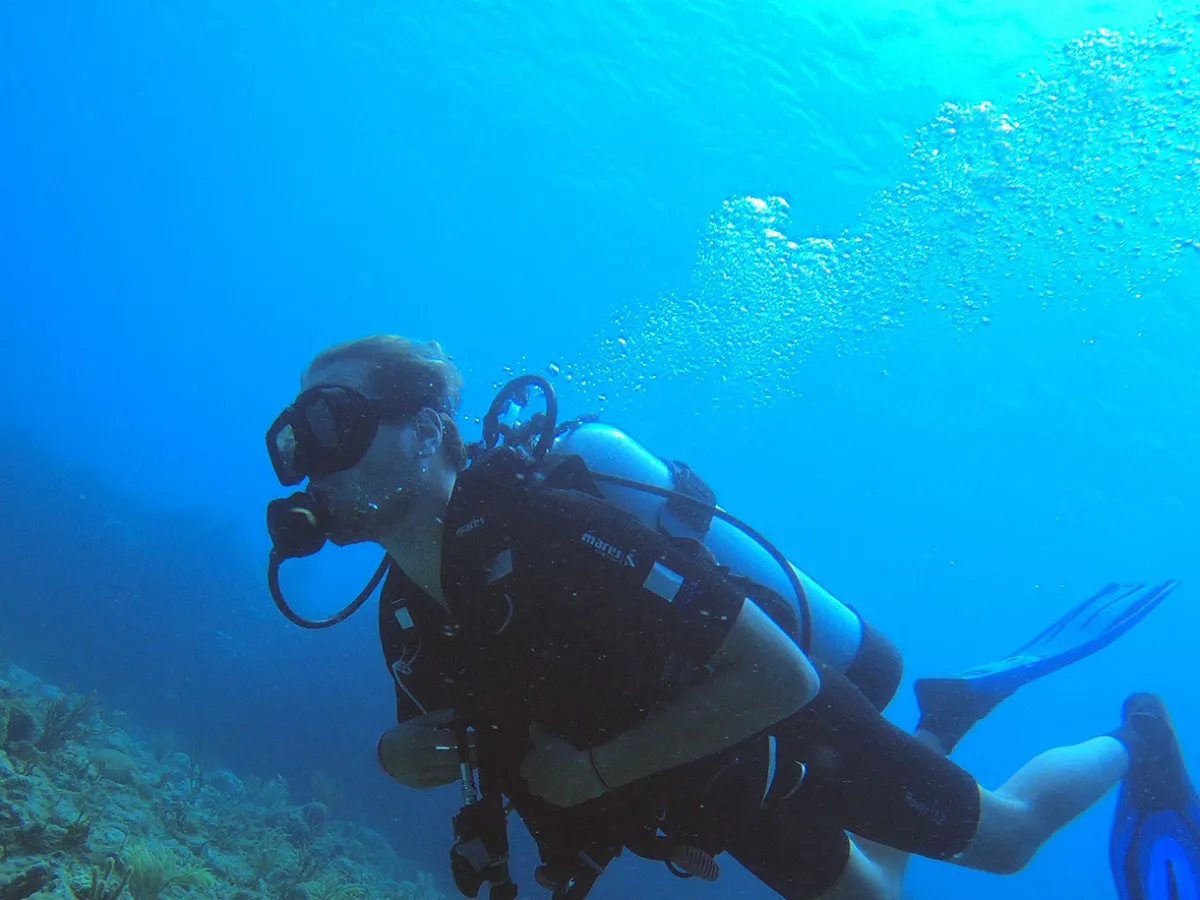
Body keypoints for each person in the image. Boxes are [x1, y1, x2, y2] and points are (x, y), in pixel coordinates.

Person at [263, 334, 1191, 900]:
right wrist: (398, 758)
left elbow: (780, 674)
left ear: (427, 429)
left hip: (787, 723)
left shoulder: (552, 532)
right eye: (296, 440)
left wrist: (591, 772)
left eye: (335, 422)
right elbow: (427, 734)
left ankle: (1135, 739)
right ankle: (945, 718)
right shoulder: (405, 613)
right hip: (710, 791)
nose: (313, 461)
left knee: (1010, 841)